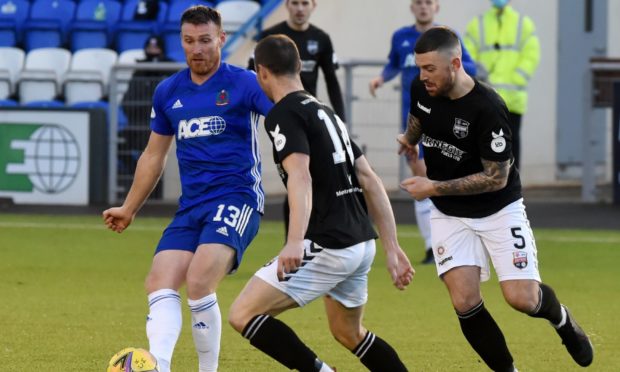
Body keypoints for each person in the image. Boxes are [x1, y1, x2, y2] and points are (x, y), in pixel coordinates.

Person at [398, 26, 593, 371]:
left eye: (430, 69)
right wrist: (409, 138)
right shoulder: (422, 88)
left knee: (522, 298)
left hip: (498, 210)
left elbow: (495, 178)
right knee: (464, 301)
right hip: (449, 213)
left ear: (455, 64)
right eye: (419, 67)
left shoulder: (487, 108)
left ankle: (562, 320)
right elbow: (419, 116)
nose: (422, 76)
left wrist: (432, 187)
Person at [229, 34, 415, 372]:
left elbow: (300, 176)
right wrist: (391, 247)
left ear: (261, 73)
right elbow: (369, 178)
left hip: (330, 244)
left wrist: (295, 240)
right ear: (299, 67)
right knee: (348, 332)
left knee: (243, 314)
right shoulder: (325, 112)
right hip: (360, 243)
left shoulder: (282, 115)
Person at [102, 6, 272, 372]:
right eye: (189, 41)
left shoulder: (244, 83)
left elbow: (285, 117)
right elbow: (153, 155)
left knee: (198, 281)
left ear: (222, 39)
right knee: (159, 280)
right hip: (192, 206)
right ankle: (159, 365)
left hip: (237, 197)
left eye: (206, 41)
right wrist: (128, 208)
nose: (197, 49)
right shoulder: (168, 91)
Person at [369, 0, 476, 265]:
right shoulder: (401, 37)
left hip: (444, 119)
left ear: (436, 7)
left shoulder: (448, 37)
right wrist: (381, 78)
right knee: (421, 176)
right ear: (412, 7)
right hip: (414, 121)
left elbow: (469, 66)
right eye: (418, 3)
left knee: (445, 178)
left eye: (428, 3)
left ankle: (455, 240)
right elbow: (393, 64)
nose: (423, 7)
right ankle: (433, 246)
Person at [249, 0, 347, 238]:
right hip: (284, 118)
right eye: (295, 3)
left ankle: (312, 237)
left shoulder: (321, 38)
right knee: (294, 177)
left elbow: (332, 81)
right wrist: (269, 115)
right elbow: (252, 78)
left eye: (305, 3)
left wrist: (341, 120)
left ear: (313, 5)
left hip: (312, 119)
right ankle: (293, 241)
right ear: (287, 5)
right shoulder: (270, 36)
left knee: (309, 177)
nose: (300, 8)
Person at [463, 0, 540, 170]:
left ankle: (512, 188)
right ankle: (486, 186)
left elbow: (531, 55)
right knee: (483, 144)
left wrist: (517, 78)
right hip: (485, 98)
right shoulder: (478, 24)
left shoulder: (523, 24)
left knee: (511, 144)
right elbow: (467, 55)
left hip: (512, 100)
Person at [119, 35, 175, 194]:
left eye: (156, 48)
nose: (153, 51)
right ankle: (135, 178)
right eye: (150, 48)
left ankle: (155, 188)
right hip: (137, 125)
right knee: (120, 143)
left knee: (157, 154)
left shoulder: (170, 70)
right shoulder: (139, 71)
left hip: (160, 128)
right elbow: (126, 102)